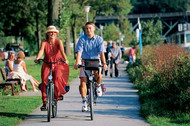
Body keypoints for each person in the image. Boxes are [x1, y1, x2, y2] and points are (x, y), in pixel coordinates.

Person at [74, 22, 108, 112]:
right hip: (85, 61)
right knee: (83, 82)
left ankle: (98, 85)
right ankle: (84, 102)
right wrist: (77, 62)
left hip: (96, 61)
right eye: (87, 28)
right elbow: (79, 52)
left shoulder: (99, 39)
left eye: (90, 28)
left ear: (94, 29)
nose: (88, 30)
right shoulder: (82, 39)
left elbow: (101, 53)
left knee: (99, 74)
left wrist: (104, 63)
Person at [34, 25, 69, 110]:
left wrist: (65, 59)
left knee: (57, 77)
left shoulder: (58, 42)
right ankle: (45, 102)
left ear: (56, 34)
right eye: (50, 32)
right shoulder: (44, 43)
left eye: (54, 32)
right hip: (47, 63)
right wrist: (38, 58)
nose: (52, 34)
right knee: (45, 80)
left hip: (58, 63)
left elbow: (62, 51)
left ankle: (57, 95)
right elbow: (41, 51)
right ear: (48, 34)